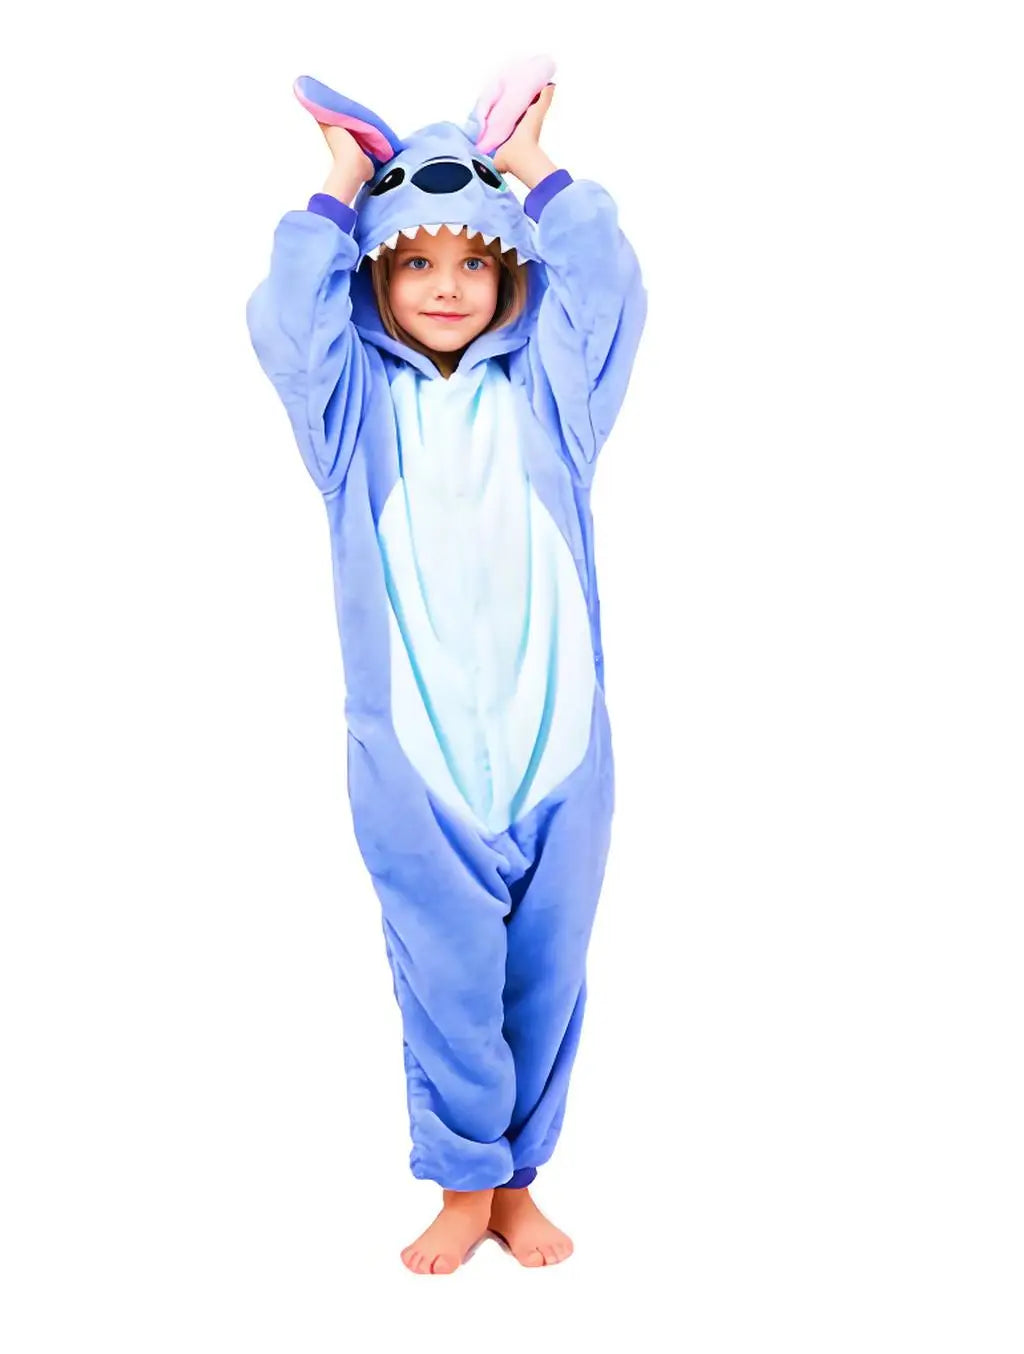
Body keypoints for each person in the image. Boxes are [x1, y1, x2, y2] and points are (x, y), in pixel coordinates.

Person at [245, 59, 647, 1274]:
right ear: (374, 274)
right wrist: (338, 184)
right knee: (449, 976)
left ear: (511, 272)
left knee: (548, 971)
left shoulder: (551, 401)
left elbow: (606, 288)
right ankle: (466, 1179)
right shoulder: (350, 415)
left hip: (558, 748)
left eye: (474, 261)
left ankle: (520, 1178)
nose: (445, 285)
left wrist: (530, 165)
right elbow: (287, 322)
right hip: (415, 762)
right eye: (414, 261)